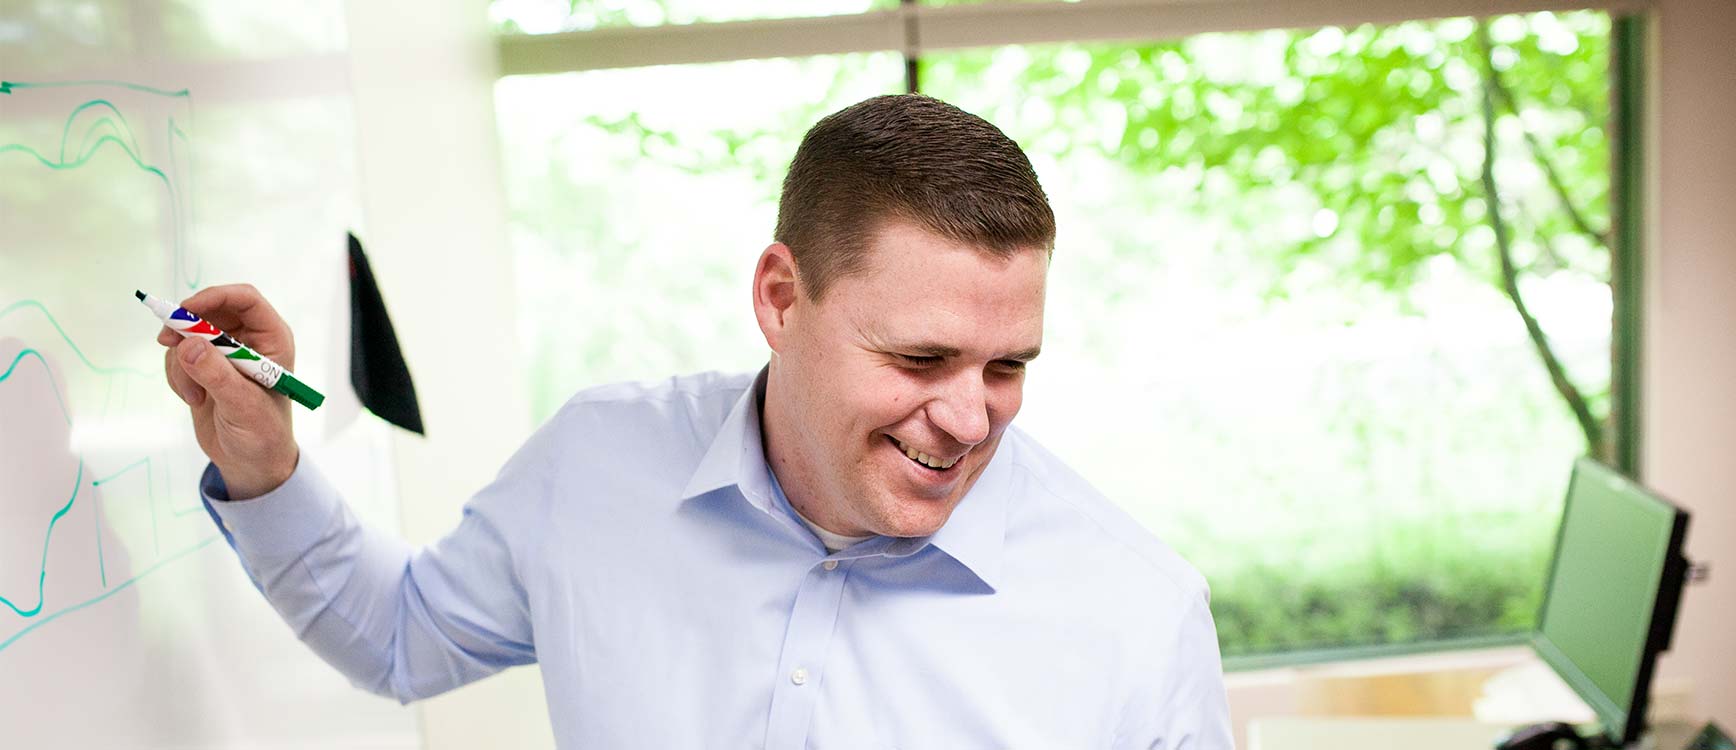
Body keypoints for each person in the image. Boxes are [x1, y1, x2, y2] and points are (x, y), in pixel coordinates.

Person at [158, 94, 1232, 748]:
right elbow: (397, 639)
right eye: (920, 358)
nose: (965, 417)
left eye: (1007, 366)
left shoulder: (1136, 613)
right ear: (779, 296)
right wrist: (267, 463)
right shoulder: (595, 467)